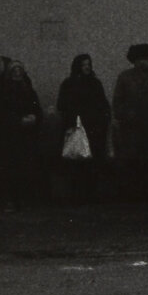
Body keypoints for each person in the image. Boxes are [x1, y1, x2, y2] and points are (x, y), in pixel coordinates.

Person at [109, 43, 148, 201]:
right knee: (138, 161)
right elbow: (118, 103)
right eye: (141, 59)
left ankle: (144, 194)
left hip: (146, 126)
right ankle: (140, 194)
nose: (143, 62)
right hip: (137, 127)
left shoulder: (129, 77)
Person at [0, 57, 45, 208]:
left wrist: (34, 117)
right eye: (14, 70)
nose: (17, 73)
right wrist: (19, 120)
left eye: (20, 70)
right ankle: (11, 199)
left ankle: (20, 198)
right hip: (10, 134)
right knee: (10, 167)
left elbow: (36, 108)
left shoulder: (28, 89)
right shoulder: (4, 90)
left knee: (22, 167)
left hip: (24, 134)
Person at [54, 52, 110, 203]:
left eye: (88, 65)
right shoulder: (84, 83)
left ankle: (85, 194)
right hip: (82, 127)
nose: (87, 68)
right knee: (80, 161)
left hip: (88, 128)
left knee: (84, 161)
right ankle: (80, 194)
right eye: (84, 65)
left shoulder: (83, 83)